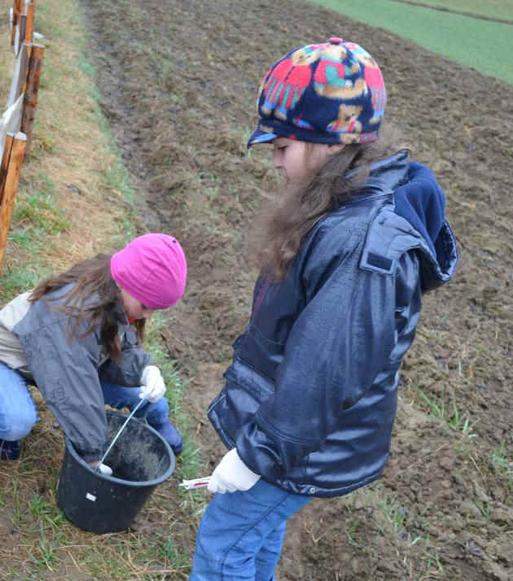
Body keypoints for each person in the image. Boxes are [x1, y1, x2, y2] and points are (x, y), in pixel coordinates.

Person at [191, 37, 459, 579]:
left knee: (225, 538)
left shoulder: (363, 246)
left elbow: (322, 372)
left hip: (304, 438)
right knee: (255, 530)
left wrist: (255, 454)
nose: (275, 160)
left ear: (331, 144)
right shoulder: (338, 205)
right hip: (296, 432)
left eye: (283, 146)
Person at [0, 233, 188, 470]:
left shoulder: (113, 290)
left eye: (155, 310)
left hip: (53, 359)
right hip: (1, 358)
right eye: (145, 306)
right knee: (14, 423)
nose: (147, 315)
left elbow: (119, 344)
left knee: (144, 392)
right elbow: (71, 392)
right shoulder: (72, 316)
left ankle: (157, 417)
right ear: (126, 281)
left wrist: (146, 370)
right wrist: (93, 456)